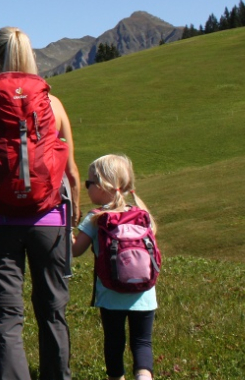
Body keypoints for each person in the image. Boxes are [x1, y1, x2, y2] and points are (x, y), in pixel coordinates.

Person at [0, 26, 81, 380]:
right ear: (31, 57)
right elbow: (71, 171)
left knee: (7, 319)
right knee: (53, 311)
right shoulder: (52, 104)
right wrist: (71, 222)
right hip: (50, 221)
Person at [73, 154, 158, 380]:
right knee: (142, 342)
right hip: (144, 293)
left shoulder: (97, 217)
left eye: (89, 183)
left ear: (102, 185)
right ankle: (144, 376)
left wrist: (64, 226)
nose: (87, 188)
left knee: (114, 341)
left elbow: (75, 250)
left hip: (111, 293)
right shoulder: (142, 214)